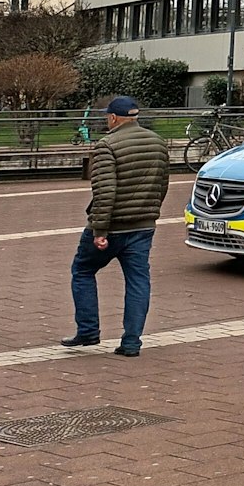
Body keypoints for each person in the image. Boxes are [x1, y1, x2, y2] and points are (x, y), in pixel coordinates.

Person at [62, 96, 172, 357]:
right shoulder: (158, 143)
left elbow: (104, 192)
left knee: (83, 270)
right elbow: (163, 185)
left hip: (112, 226)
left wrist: (100, 231)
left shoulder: (106, 145)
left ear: (113, 118)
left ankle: (88, 331)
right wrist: (149, 213)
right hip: (143, 225)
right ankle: (132, 342)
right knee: (138, 280)